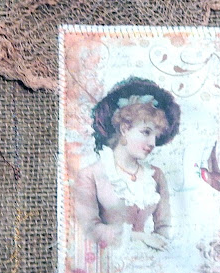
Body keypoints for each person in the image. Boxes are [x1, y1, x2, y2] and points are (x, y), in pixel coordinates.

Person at [73, 77, 180, 251]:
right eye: (146, 132)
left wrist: (159, 247)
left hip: (151, 258)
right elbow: (89, 229)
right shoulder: (90, 175)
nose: (153, 143)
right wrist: (138, 236)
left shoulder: (156, 175)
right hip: (107, 257)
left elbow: (164, 226)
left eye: (156, 136)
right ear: (124, 129)